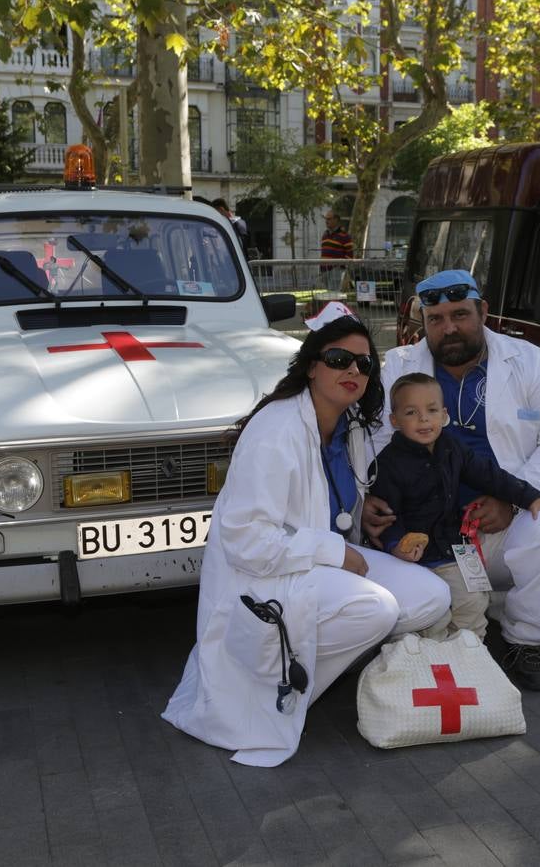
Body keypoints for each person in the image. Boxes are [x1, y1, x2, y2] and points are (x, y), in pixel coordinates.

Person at [163, 307, 451, 767]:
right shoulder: (276, 430)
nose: (353, 370)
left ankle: (305, 672)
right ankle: (272, 694)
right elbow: (246, 541)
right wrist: (333, 551)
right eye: (339, 359)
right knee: (376, 608)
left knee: (432, 596)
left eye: (363, 363)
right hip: (265, 572)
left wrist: (365, 510)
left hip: (319, 560)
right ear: (312, 365)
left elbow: (333, 504)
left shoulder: (350, 424)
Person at [365, 269, 540, 691]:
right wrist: (367, 496)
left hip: (500, 520)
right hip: (427, 529)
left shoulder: (529, 361)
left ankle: (527, 640)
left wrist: (510, 501)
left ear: (483, 311)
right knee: (427, 606)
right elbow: (373, 440)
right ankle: (434, 647)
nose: (449, 328)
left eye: (459, 314)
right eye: (436, 319)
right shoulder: (400, 367)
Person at [371, 372, 540, 642]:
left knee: (473, 605)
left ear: (444, 414)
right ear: (394, 421)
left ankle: (469, 660)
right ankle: (432, 668)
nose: (424, 419)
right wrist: (397, 545)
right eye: (411, 412)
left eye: (431, 410)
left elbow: (490, 475)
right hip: (413, 559)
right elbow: (385, 515)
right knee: (431, 617)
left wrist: (530, 497)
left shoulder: (452, 447)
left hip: (453, 549)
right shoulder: (388, 464)